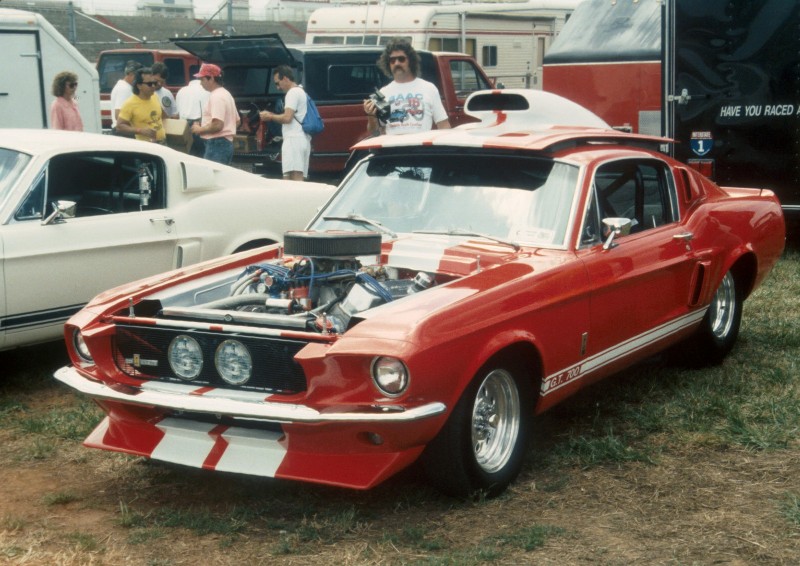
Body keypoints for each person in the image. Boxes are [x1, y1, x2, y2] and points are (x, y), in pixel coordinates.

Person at [363, 38, 450, 135]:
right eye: (392, 60)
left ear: (411, 61)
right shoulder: (383, 92)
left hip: (420, 144)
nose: (397, 63)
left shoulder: (429, 88)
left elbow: (443, 125)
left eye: (401, 59)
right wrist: (370, 115)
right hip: (394, 145)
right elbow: (375, 132)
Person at [259, 65, 310, 181]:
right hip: (301, 138)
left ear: (286, 78)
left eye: (278, 83)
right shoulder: (301, 91)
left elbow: (287, 118)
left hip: (294, 139)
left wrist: (270, 116)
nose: (278, 87)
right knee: (291, 176)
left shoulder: (292, 93)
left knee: (293, 177)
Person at [190, 63, 239, 165]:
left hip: (217, 144)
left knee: (211, 174)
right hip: (224, 143)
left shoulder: (217, 97)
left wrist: (200, 129)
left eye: (202, 79)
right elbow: (237, 121)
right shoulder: (226, 94)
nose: (200, 83)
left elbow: (217, 125)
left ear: (211, 79)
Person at [115, 68, 167, 143]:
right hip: (145, 144)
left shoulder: (155, 97)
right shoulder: (130, 104)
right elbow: (119, 126)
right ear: (139, 86)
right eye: (149, 84)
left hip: (162, 142)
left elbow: (162, 116)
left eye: (154, 83)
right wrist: (140, 131)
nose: (153, 86)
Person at [176, 78, 210, 157]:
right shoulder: (206, 90)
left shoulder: (181, 91)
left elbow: (178, 111)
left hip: (184, 125)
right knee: (202, 153)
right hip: (200, 124)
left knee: (188, 153)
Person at [110, 60, 142, 133]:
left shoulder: (126, 87)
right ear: (131, 74)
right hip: (123, 131)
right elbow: (118, 114)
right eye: (138, 77)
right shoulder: (123, 89)